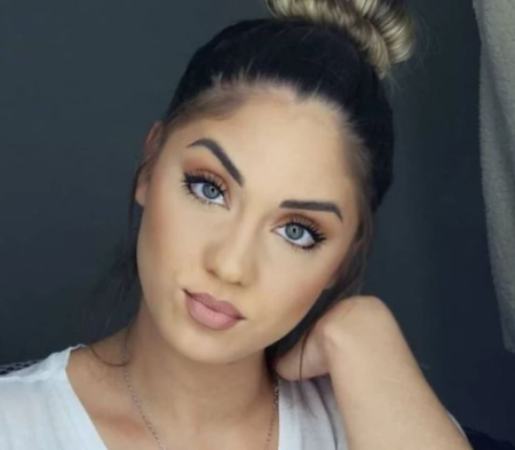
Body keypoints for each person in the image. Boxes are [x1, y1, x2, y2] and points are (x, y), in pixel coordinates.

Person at [0, 0, 473, 449]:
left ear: (342, 261)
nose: (230, 265)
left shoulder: (381, 420)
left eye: (297, 231)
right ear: (150, 166)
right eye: (209, 189)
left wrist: (362, 328)